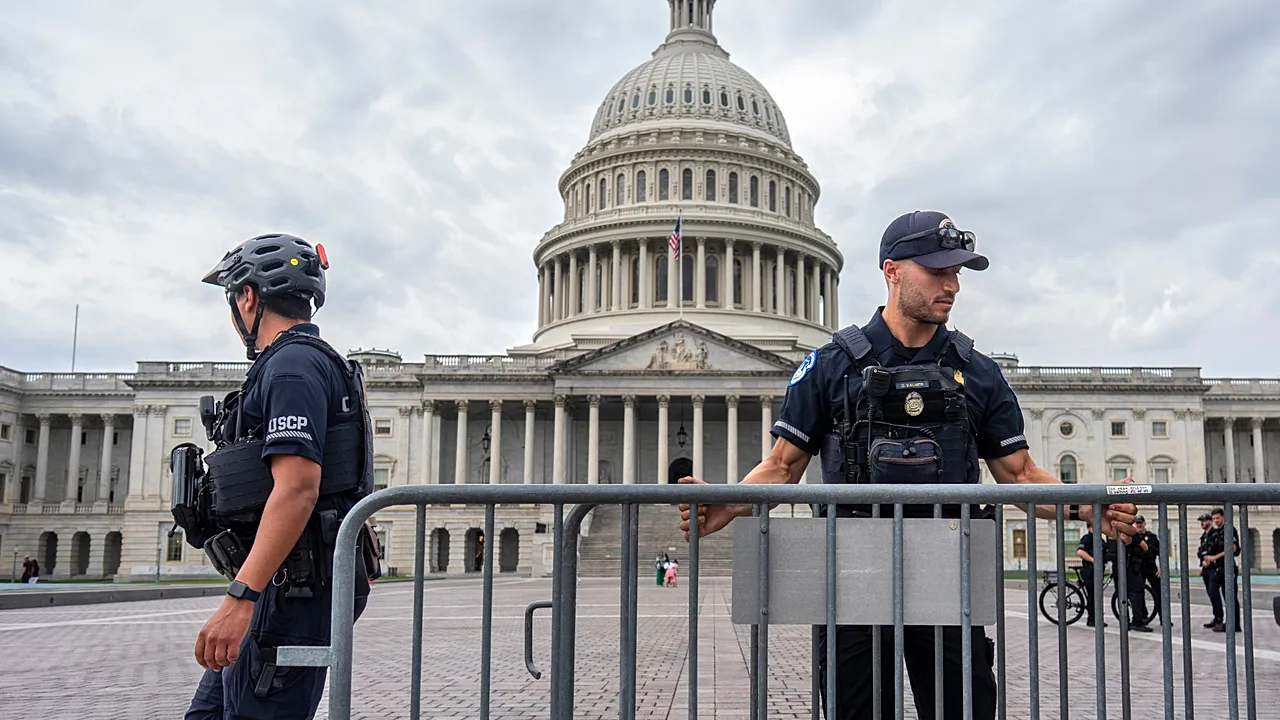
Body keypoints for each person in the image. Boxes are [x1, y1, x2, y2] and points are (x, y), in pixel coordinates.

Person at [677, 211, 1138, 720]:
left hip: (946, 568)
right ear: (892, 271)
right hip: (852, 571)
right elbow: (783, 466)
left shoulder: (978, 372)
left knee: (962, 708)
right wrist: (735, 500)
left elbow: (1020, 474)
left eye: (957, 272)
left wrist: (1084, 508)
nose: (953, 285)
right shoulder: (830, 365)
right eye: (937, 271)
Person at [184, 233, 379, 719]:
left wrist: (240, 596)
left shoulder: (292, 367)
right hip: (282, 581)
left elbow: (297, 488)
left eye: (232, 300)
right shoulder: (298, 363)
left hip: (290, 589)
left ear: (247, 297)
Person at [1203, 507, 1242, 633]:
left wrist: (1214, 557)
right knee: (1213, 592)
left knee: (1230, 596)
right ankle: (1218, 618)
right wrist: (1207, 559)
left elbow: (1233, 548)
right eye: (1214, 519)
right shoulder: (1217, 532)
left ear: (1223, 517)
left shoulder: (1229, 529)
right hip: (1217, 568)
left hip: (1228, 567)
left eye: (1218, 518)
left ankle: (1234, 624)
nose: (1216, 521)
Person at [1076, 520, 1114, 628]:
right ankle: (1092, 620)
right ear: (1089, 527)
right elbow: (1080, 552)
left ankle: (1096, 618)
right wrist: (1094, 560)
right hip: (1090, 571)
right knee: (1093, 596)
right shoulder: (1087, 539)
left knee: (1096, 595)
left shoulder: (1100, 540)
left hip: (1098, 572)